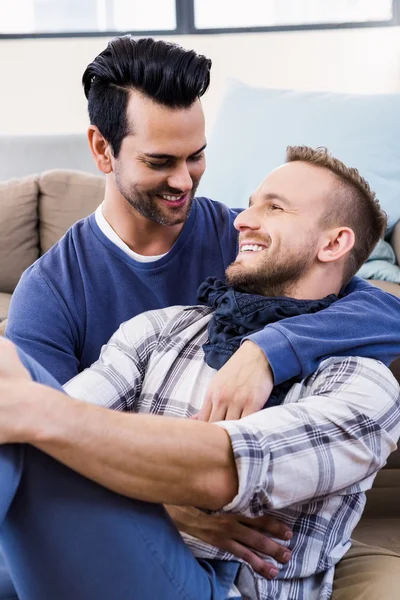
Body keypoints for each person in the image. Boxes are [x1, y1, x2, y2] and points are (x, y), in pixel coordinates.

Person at [1, 147, 399, 600]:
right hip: (111, 555)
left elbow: (229, 467)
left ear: (333, 244)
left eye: (274, 207)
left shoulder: (362, 386)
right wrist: (161, 506)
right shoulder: (163, 329)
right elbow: (42, 448)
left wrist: (45, 414)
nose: (242, 220)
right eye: (250, 203)